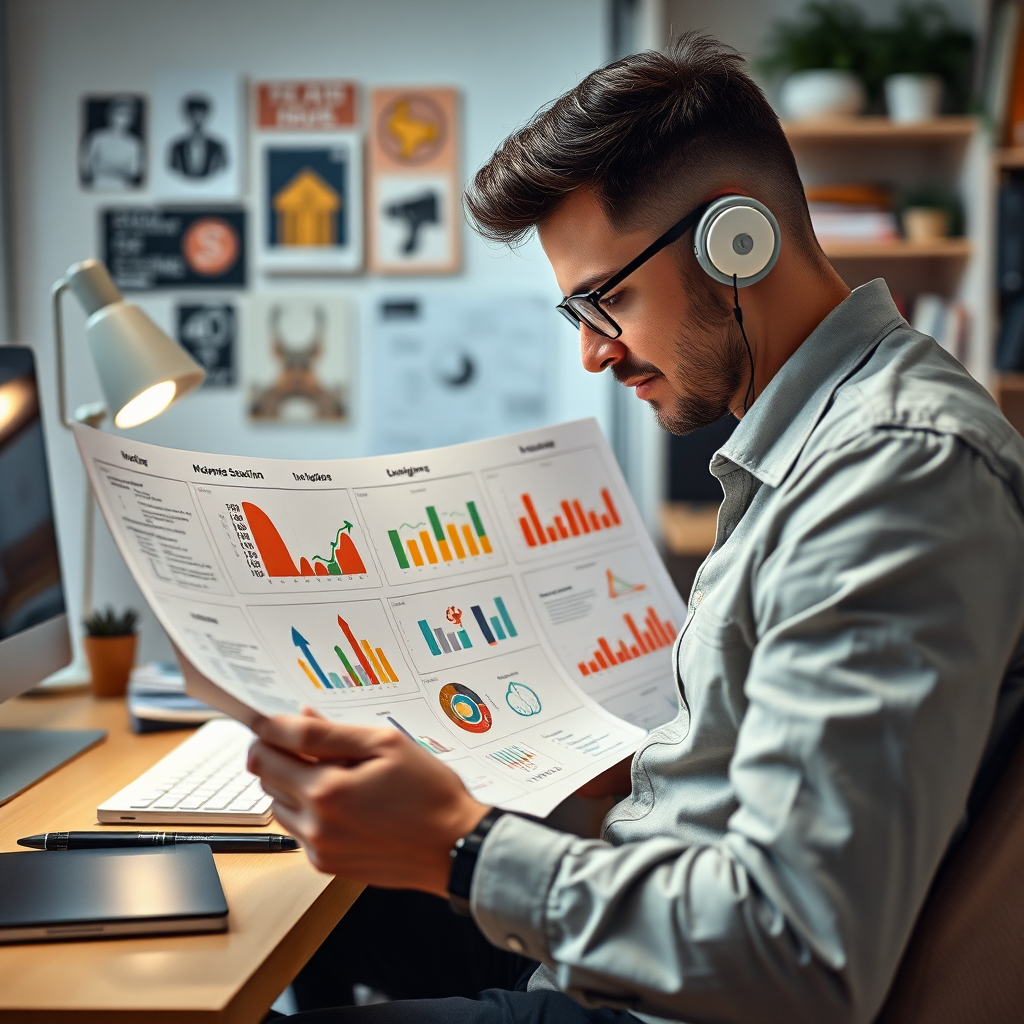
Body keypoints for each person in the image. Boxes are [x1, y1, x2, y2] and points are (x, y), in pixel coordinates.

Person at [249, 33, 1024, 1024]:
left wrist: (463, 845)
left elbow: (800, 951)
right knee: (300, 903)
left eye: (606, 299)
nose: (591, 353)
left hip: (674, 1000)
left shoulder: (896, 472)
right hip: (646, 932)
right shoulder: (818, 448)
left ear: (737, 241)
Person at [79, 96, 144, 190]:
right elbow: (87, 166)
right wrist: (120, 169)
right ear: (110, 114)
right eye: (119, 113)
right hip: (97, 186)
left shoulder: (135, 143)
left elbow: (135, 171)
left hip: (124, 189)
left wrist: (103, 166)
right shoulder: (96, 137)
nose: (122, 118)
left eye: (127, 115)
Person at [168, 94, 227, 179]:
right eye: (194, 115)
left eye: (201, 114)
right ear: (187, 116)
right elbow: (172, 170)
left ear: (207, 116)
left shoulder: (218, 146)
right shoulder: (177, 146)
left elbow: (223, 170)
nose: (197, 119)